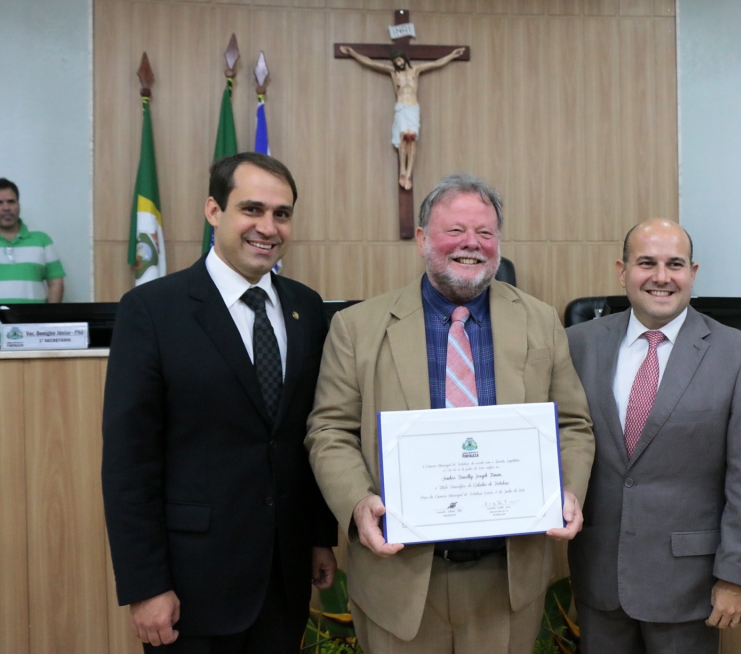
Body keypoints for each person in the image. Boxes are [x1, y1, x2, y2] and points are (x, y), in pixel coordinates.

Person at [305, 174, 595, 654]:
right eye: (455, 230)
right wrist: (358, 503)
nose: (471, 244)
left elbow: (573, 424)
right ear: (422, 239)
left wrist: (569, 490)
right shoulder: (356, 327)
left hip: (506, 576)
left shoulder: (541, 321)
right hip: (398, 576)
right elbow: (330, 429)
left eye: (485, 233)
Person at [102, 152, 338, 653]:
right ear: (214, 211)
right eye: (251, 209)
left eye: (282, 214)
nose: (268, 227)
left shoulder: (307, 308)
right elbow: (129, 461)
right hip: (192, 585)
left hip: (284, 576)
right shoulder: (152, 310)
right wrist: (146, 585)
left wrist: (320, 536)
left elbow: (311, 432)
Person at [565, 218, 741, 654]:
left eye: (675, 264)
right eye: (647, 263)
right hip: (600, 579)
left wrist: (736, 576)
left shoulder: (740, 354)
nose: (661, 277)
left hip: (690, 585)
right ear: (622, 271)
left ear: (693, 272)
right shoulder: (576, 344)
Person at [337, 45, 465, 190]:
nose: (398, 63)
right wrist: (353, 53)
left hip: (413, 108)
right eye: (395, 61)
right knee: (404, 138)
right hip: (401, 108)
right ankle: (402, 171)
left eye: (399, 60)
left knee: (412, 140)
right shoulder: (393, 73)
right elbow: (371, 63)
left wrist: (452, 55)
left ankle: (408, 173)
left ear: (404, 59)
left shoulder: (415, 70)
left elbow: (435, 63)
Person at [0, 177, 65, 303]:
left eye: (11, 202)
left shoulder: (42, 241)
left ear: (18, 205)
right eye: (0, 203)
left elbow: (56, 283)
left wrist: (49, 318)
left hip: (33, 321)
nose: (6, 208)